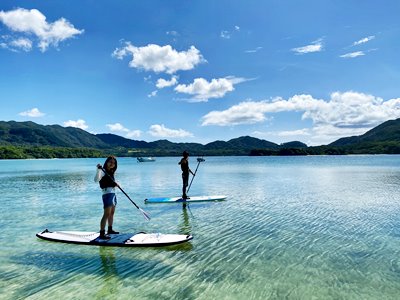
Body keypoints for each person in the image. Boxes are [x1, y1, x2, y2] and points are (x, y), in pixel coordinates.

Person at [94, 156, 120, 240]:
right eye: (110, 162)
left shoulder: (111, 172)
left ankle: (110, 229)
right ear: (106, 162)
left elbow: (110, 182)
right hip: (107, 194)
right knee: (106, 214)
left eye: (114, 163)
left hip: (113, 193)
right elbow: (96, 180)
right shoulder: (102, 171)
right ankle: (102, 233)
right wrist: (98, 169)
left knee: (112, 213)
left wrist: (115, 184)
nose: (112, 164)